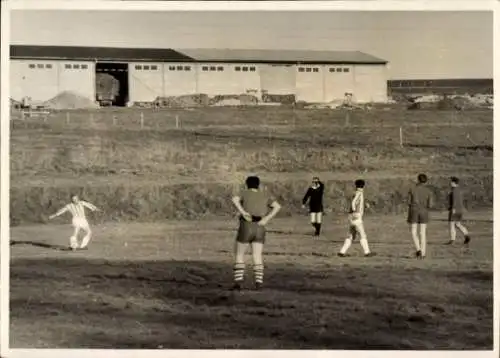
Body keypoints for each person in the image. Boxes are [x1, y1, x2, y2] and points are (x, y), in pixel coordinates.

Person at [231, 176, 281, 291]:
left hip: (246, 225)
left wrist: (243, 212)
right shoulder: (265, 194)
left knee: (239, 254)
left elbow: (234, 199)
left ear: (247, 184)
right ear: (258, 185)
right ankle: (259, 283)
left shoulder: (244, 193)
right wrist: (266, 219)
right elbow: (277, 206)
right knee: (257, 256)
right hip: (260, 227)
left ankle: (238, 282)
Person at [338, 179, 375, 257]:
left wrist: (364, 206)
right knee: (362, 235)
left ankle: (342, 252)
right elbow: (354, 202)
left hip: (351, 217)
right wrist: (355, 211)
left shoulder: (355, 193)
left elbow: (356, 202)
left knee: (351, 235)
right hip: (356, 217)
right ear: (363, 186)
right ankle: (367, 252)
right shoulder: (360, 193)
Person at [407, 173, 433, 259]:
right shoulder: (428, 191)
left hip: (414, 211)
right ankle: (423, 253)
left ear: (418, 180)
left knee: (413, 232)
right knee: (423, 233)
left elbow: (408, 202)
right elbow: (430, 205)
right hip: (424, 212)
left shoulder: (412, 189)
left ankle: (418, 249)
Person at [447, 177, 471, 245]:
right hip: (460, 209)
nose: (450, 183)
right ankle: (466, 235)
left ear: (453, 182)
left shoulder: (454, 190)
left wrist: (453, 209)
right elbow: (460, 200)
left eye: (451, 182)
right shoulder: (460, 190)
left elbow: (454, 200)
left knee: (451, 224)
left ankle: (452, 240)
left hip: (455, 209)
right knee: (458, 224)